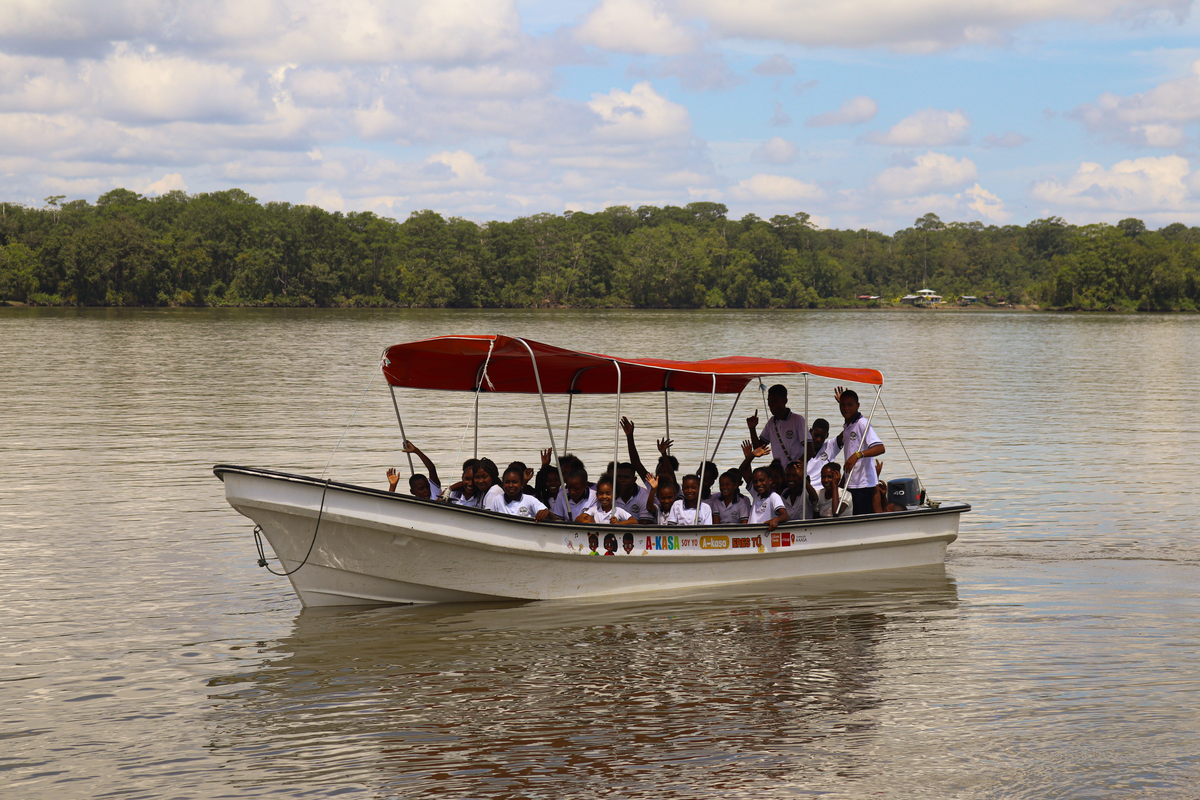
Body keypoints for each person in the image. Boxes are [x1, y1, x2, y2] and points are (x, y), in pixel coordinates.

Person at [834, 387, 885, 515]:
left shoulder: (862, 423)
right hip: (852, 482)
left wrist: (858, 455)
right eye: (843, 405)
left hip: (862, 484)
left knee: (862, 517)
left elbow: (880, 447)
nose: (846, 408)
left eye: (850, 405)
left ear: (858, 405)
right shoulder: (848, 424)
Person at [747, 384, 810, 471]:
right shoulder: (771, 422)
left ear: (785, 401)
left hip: (795, 475)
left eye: (774, 402)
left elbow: (810, 449)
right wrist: (752, 429)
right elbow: (758, 448)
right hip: (779, 475)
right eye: (769, 401)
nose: (770, 405)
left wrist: (795, 468)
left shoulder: (797, 420)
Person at [620, 417, 677, 489]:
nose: (661, 475)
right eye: (659, 472)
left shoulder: (674, 488)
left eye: (665, 473)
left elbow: (671, 475)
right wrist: (629, 436)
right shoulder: (651, 483)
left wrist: (664, 454)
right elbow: (636, 463)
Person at [484, 466, 556, 520]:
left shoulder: (530, 500)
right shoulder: (497, 500)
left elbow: (547, 514)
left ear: (522, 484)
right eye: (507, 482)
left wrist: (547, 513)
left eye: (515, 482)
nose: (511, 485)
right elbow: (492, 520)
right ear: (503, 484)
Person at [747, 466, 788, 532]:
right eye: (755, 482)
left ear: (770, 481)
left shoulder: (774, 496)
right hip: (751, 534)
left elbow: (785, 515)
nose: (758, 484)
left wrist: (776, 519)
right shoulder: (756, 494)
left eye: (762, 480)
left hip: (764, 534)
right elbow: (743, 470)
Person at [806, 418, 840, 494]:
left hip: (823, 491)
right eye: (816, 435)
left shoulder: (831, 447)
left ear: (827, 435)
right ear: (810, 432)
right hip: (806, 491)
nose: (818, 439)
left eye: (822, 437)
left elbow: (846, 433)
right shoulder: (801, 448)